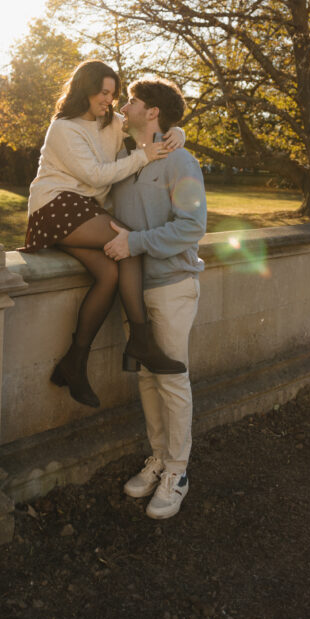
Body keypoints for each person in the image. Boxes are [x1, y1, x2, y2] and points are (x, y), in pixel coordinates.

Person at [23, 60, 187, 409]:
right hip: (54, 207)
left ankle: (74, 363)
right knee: (127, 239)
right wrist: (143, 157)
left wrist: (178, 134)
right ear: (86, 88)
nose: (109, 101)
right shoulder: (63, 128)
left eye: (113, 95)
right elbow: (97, 175)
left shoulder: (111, 123)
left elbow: (150, 127)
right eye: (104, 93)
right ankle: (141, 340)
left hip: (84, 211)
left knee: (110, 271)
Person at [104, 77, 206, 520]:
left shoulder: (181, 160)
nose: (123, 106)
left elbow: (191, 226)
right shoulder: (127, 159)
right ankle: (159, 459)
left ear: (152, 113)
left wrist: (136, 243)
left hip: (170, 286)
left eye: (132, 101)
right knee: (147, 377)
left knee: (170, 377)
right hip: (133, 290)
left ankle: (179, 472)